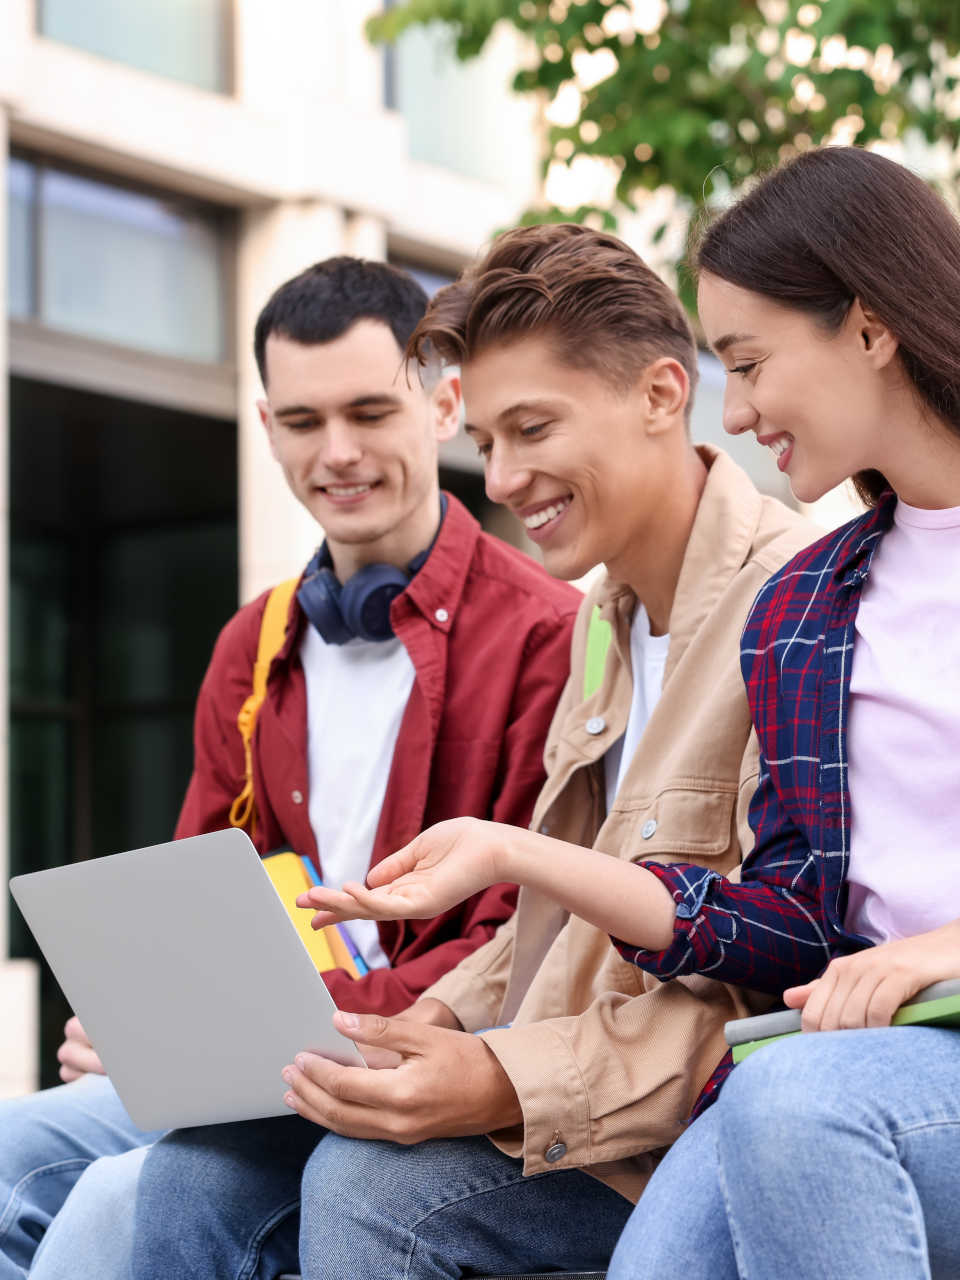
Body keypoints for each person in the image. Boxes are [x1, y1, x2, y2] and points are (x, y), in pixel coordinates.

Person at [129, 224, 816, 1280]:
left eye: (530, 428)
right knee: (193, 1175)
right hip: (540, 1065)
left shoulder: (794, 608)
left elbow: (774, 970)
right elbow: (546, 923)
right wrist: (427, 1023)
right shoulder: (606, 623)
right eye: (488, 439)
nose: (499, 477)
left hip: (668, 1114)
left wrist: (498, 1077)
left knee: (368, 1194)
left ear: (663, 393)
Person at [344, 148, 960, 1280]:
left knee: (798, 1110)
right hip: (841, 1049)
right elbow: (789, 926)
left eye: (751, 360)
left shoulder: (759, 589)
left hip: (862, 1071)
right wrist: (515, 853)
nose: (740, 408)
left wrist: (941, 949)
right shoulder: (812, 604)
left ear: (870, 327)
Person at [0, 256, 579, 1280]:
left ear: (443, 402)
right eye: (305, 422)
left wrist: (300, 1020)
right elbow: (194, 891)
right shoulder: (250, 644)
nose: (339, 452)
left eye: (368, 410)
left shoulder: (548, 634)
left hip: (425, 1064)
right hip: (255, 1064)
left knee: (108, 1204)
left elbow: (523, 943)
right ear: (266, 427)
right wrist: (148, 1017)